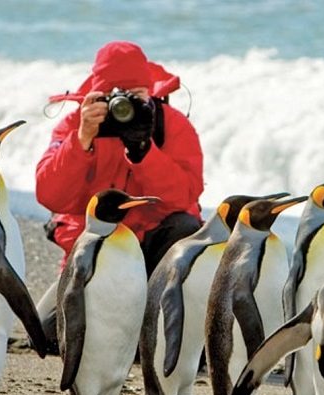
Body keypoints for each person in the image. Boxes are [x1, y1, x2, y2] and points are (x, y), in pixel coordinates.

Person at [34, 41, 204, 345]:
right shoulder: (77, 124)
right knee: (47, 334)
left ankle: (162, 323)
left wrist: (143, 152)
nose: (123, 106)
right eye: (114, 97)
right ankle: (123, 332)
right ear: (97, 95)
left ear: (150, 92)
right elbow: (50, 195)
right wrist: (82, 140)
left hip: (152, 253)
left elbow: (185, 197)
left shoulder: (170, 125)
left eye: (136, 96)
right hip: (99, 252)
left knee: (186, 229)